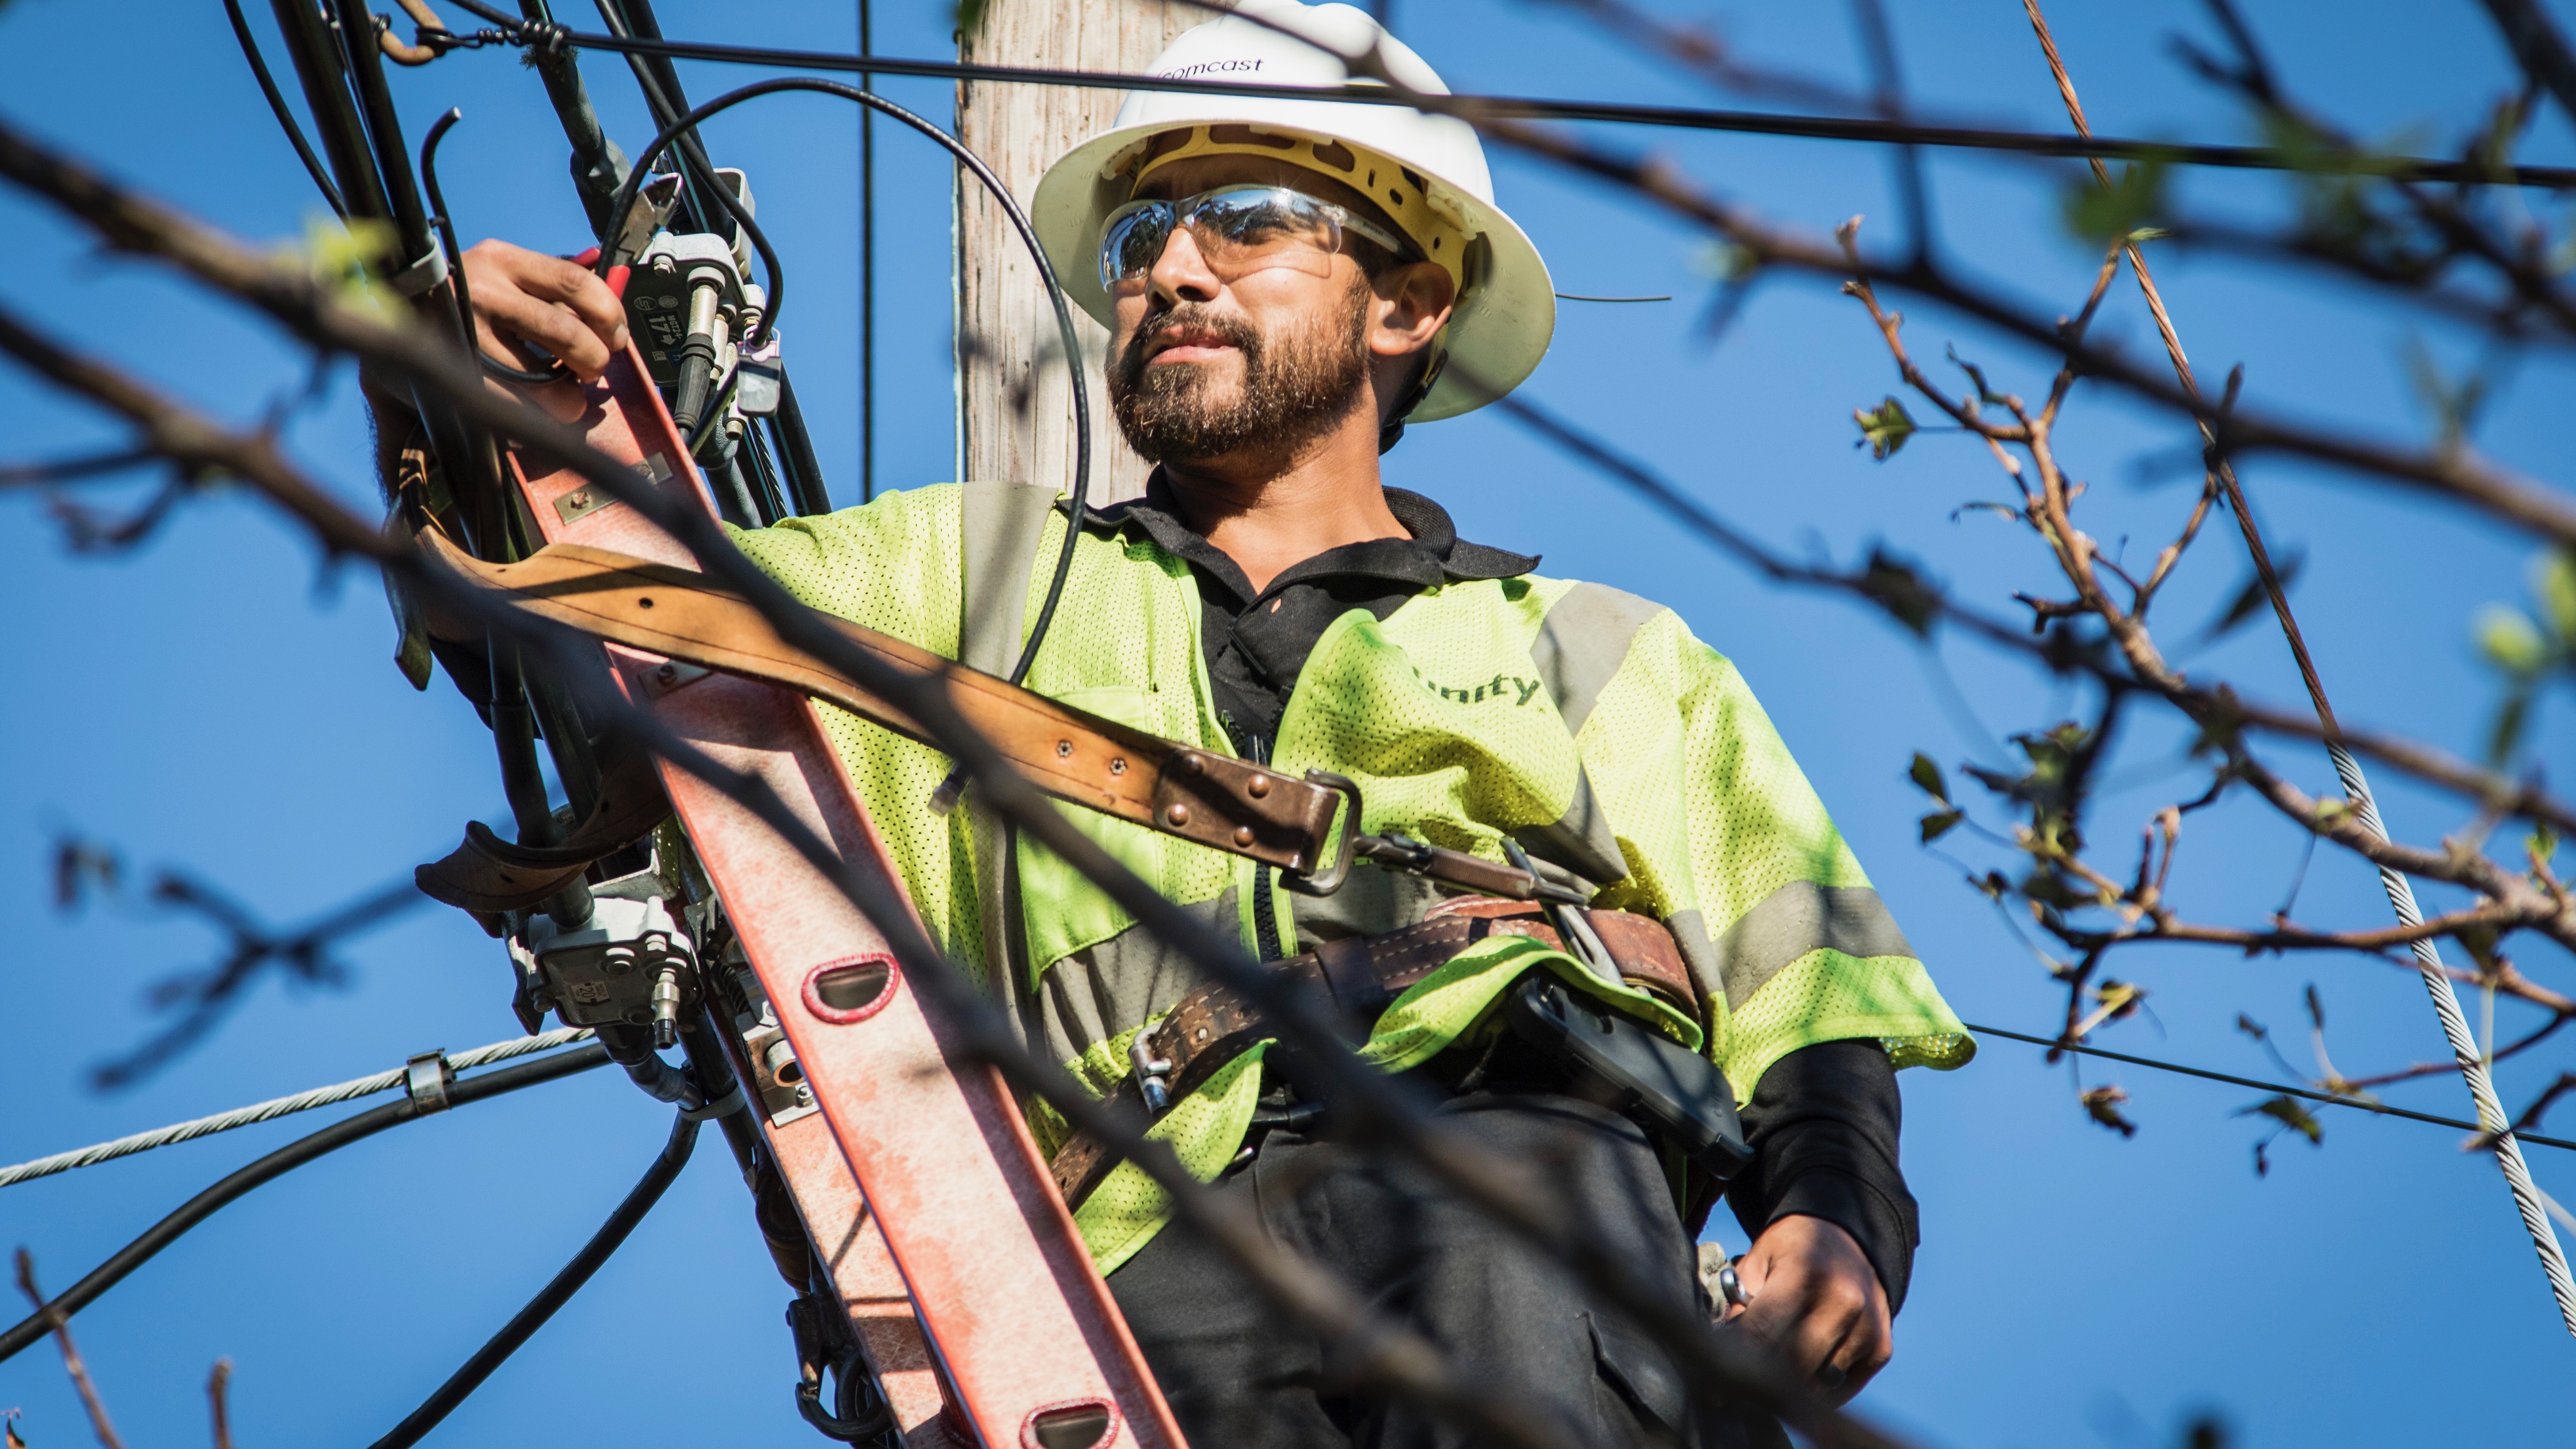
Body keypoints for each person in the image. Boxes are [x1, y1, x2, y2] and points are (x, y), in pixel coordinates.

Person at [453, 4, 1970, 1443]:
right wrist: (452, 397)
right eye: (1138, 237)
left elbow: (1813, 1001)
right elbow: (578, 633)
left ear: (1411, 301)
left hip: (1519, 1173)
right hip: (1115, 1258)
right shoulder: (960, 572)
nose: (1173, 268)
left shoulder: (1598, 652)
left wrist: (1831, 1214)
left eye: (1245, 215)